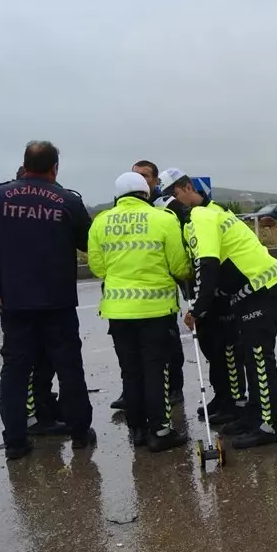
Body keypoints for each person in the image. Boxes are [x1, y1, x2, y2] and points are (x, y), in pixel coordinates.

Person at [0, 140, 95, 459]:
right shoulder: (67, 200)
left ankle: (15, 442)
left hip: (15, 301)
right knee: (69, 366)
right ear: (55, 167)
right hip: (58, 300)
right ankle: (80, 431)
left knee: (14, 370)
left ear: (24, 164)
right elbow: (88, 242)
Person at [160, 167, 277, 449]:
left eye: (172, 194)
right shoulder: (210, 212)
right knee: (248, 353)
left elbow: (207, 266)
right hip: (248, 292)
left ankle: (267, 425)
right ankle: (253, 415)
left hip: (261, 288)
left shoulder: (201, 216)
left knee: (258, 356)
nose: (172, 202)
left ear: (185, 188)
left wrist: (197, 309)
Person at [88, 172, 192, 452]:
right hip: (156, 310)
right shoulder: (163, 219)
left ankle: (137, 430)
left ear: (118, 196)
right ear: (146, 194)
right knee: (156, 370)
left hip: (119, 312)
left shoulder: (100, 222)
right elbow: (180, 265)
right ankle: (160, 430)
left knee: (130, 371)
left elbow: (98, 267)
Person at [154, 194, 247, 426]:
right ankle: (222, 396)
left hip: (219, 296)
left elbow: (206, 265)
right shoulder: (183, 227)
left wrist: (199, 304)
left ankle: (235, 401)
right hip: (202, 296)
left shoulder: (197, 221)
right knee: (212, 351)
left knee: (227, 351)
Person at [109, 160, 186, 411]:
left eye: (145, 175)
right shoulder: (120, 208)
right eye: (135, 175)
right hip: (127, 293)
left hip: (160, 288)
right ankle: (132, 393)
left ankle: (174, 388)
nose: (140, 180)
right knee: (130, 354)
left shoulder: (168, 206)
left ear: (154, 180)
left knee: (168, 344)